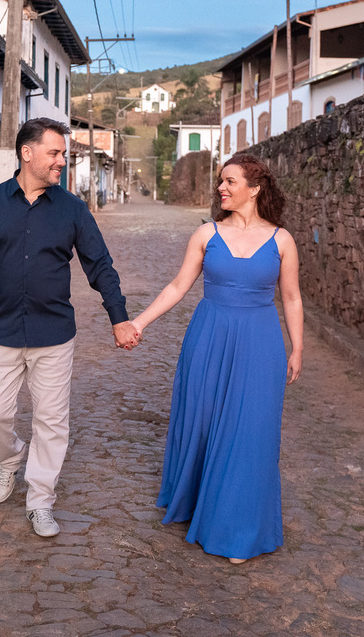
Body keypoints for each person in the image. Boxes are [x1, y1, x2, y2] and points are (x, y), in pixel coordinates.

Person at [0, 117, 141, 538]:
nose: (61, 161)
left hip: (54, 335)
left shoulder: (72, 209)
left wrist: (119, 316)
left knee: (52, 422)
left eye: (63, 154)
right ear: (27, 153)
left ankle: (40, 500)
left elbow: (100, 266)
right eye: (54, 153)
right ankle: (10, 458)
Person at [128, 153, 303, 563]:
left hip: (260, 344)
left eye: (230, 181)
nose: (221, 188)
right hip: (208, 338)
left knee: (251, 432)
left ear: (254, 189)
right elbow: (177, 286)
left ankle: (237, 531)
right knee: (203, 424)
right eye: (220, 181)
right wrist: (139, 322)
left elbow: (292, 297)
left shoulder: (282, 240)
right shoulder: (206, 234)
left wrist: (298, 347)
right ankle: (197, 503)